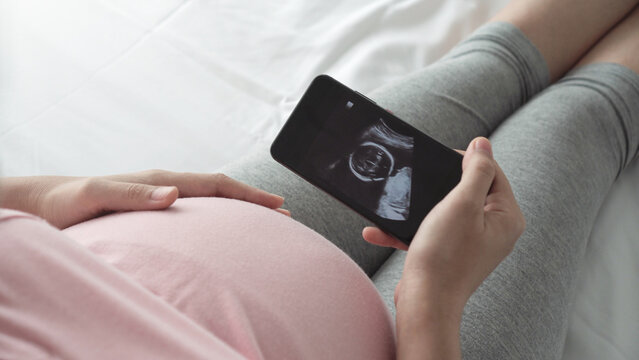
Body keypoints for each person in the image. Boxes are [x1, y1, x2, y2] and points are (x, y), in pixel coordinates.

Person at [1, 0, 638, 359]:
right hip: (420, 339)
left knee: (492, 62)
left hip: (190, 231)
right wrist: (432, 309)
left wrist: (45, 196)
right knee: (586, 117)